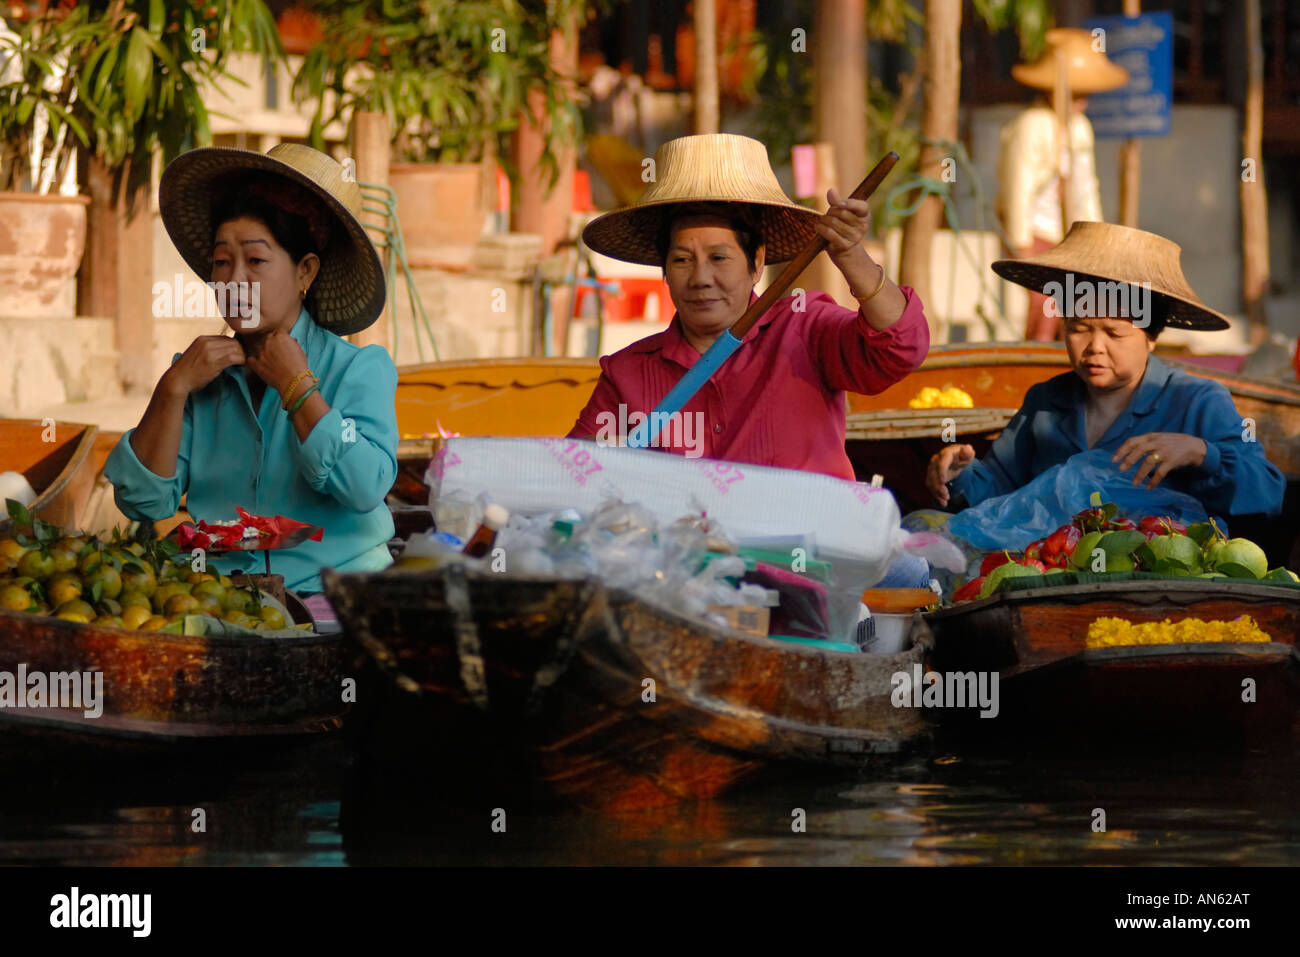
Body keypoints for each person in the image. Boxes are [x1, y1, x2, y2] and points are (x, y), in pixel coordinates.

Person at [570, 132, 932, 586]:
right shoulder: (627, 373)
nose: (701, 278)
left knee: (909, 576)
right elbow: (574, 479)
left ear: (756, 262)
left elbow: (901, 348)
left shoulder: (804, 327)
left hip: (821, 565)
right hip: (687, 580)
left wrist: (852, 257)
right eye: (682, 260)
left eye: (719, 257)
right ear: (664, 270)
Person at [104, 144, 398, 598]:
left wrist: (298, 389)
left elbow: (364, 487)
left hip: (338, 594)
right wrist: (173, 387)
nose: (234, 279)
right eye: (222, 262)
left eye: (256, 261)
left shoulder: (359, 369)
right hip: (221, 594)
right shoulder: (197, 377)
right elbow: (143, 503)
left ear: (305, 271)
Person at [927, 222, 1285, 519]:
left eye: (1114, 333)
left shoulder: (1196, 401)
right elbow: (999, 492)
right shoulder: (1046, 401)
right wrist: (961, 476)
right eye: (1079, 328)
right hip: (1048, 577)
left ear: (1151, 337)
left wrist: (1201, 453)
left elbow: (1268, 493)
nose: (1095, 347)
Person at [997, 28, 1128, 341]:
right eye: (1077, 95)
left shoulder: (1081, 128)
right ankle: (1034, 363)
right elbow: (1019, 185)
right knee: (1043, 307)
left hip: (1070, 233)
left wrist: (1095, 237)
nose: (1082, 104)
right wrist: (1021, 242)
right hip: (1039, 232)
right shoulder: (1033, 125)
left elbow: (1087, 186)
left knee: (1078, 309)